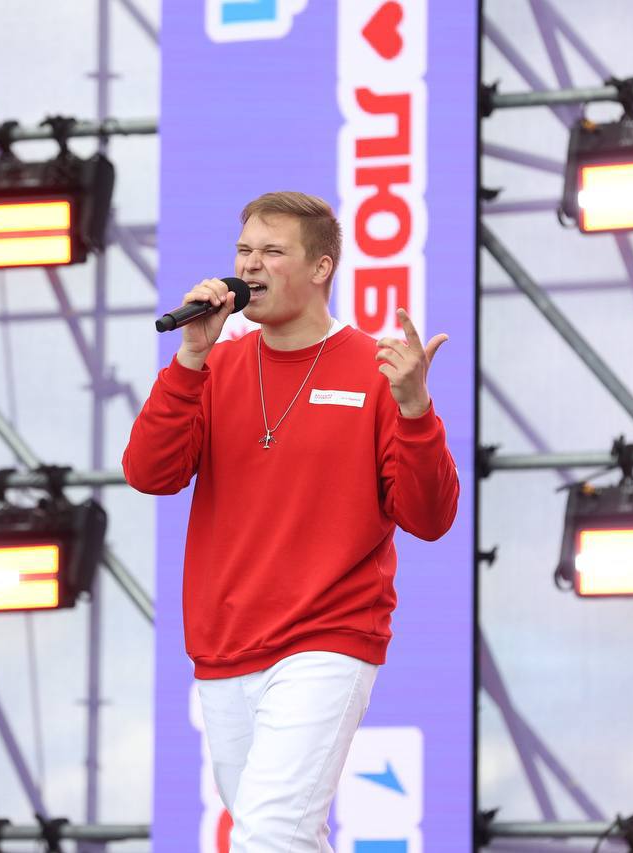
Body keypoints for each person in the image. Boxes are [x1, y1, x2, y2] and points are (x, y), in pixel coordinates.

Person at [122, 191, 459, 852]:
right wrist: (189, 358)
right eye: (244, 250)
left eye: (272, 251)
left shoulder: (376, 369)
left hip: (328, 637)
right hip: (225, 644)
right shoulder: (214, 364)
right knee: (278, 834)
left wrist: (416, 409)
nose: (250, 265)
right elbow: (149, 472)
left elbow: (429, 517)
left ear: (321, 267)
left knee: (272, 831)